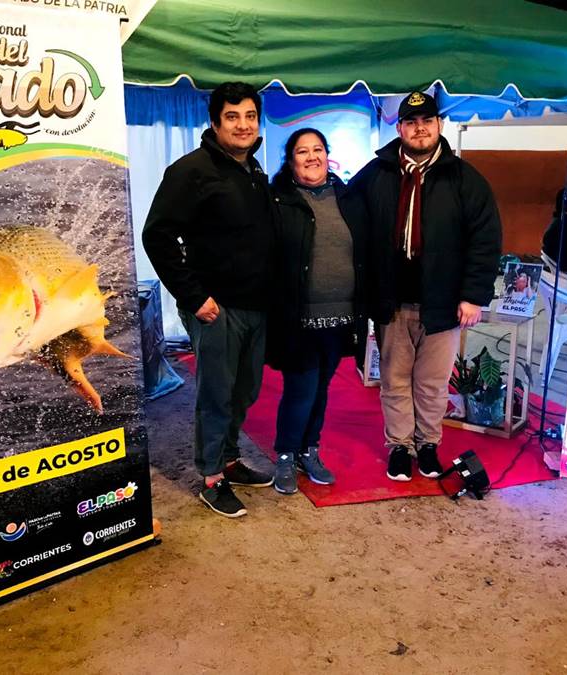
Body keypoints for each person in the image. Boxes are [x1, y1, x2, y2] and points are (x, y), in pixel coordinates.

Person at [350, 91, 502, 481]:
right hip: (391, 300)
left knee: (432, 383)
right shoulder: (376, 174)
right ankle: (400, 447)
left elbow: (485, 240)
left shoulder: (465, 179)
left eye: (427, 121)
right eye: (411, 122)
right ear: (399, 128)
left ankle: (428, 445)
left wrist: (473, 296)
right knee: (394, 380)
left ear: (439, 125)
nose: (420, 129)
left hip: (444, 302)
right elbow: (347, 217)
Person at [143, 81, 274, 518]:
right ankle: (212, 477)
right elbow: (157, 236)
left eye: (250, 116)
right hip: (216, 309)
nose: (243, 125)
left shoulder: (253, 170)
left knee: (245, 391)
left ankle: (230, 459)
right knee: (217, 395)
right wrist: (194, 297)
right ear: (215, 123)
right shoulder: (191, 171)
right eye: (232, 117)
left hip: (255, 304)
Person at [267, 128, 367, 495]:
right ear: (290, 160)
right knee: (301, 388)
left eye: (318, 149)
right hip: (299, 317)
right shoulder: (279, 201)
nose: (312, 157)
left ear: (328, 154)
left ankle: (309, 450)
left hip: (341, 317)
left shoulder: (347, 196)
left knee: (321, 388)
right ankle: (285, 455)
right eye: (302, 151)